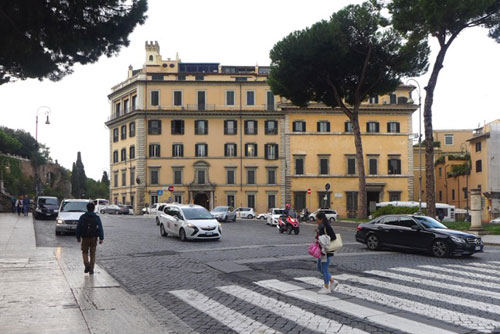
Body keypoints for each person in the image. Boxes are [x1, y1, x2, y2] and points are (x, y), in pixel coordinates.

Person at [76, 202, 104, 275]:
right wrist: (101, 238)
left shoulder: (82, 217)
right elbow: (100, 228)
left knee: (84, 252)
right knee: (92, 254)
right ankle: (91, 269)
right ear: (94, 209)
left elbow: (78, 227)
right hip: (94, 238)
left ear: (87, 208)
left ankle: (86, 264)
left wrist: (78, 237)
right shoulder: (96, 218)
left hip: (85, 238)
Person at [315, 211, 338, 294]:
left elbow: (333, 237)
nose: (316, 221)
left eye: (317, 219)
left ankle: (326, 287)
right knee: (319, 268)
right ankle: (332, 281)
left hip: (326, 251)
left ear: (321, 219)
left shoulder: (326, 226)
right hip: (322, 251)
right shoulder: (321, 226)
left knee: (324, 269)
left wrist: (325, 239)